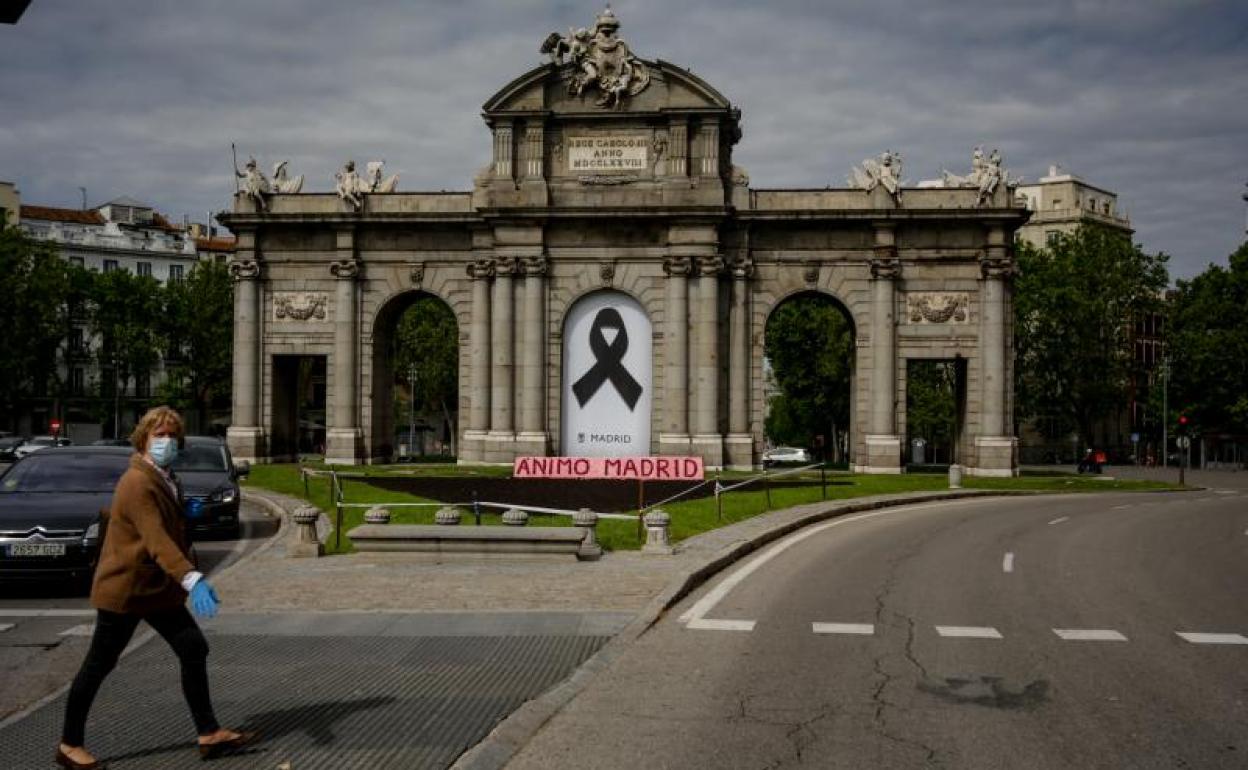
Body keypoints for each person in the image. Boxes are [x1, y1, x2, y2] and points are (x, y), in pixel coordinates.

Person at [56, 406, 255, 769]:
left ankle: (209, 733)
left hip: (156, 589)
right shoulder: (137, 482)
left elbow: (166, 527)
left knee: (193, 648)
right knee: (99, 665)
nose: (166, 441)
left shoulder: (163, 476)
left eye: (171, 436)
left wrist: (183, 514)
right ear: (143, 439)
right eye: (158, 435)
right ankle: (69, 744)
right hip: (128, 590)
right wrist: (192, 578)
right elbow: (155, 539)